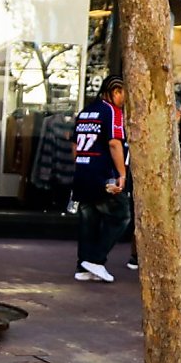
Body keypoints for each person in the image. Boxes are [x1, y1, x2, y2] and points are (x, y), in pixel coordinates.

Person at [71, 74, 129, 284]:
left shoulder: (85, 112)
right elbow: (115, 144)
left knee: (89, 220)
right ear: (116, 92)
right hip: (102, 174)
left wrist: (82, 165)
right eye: (124, 95)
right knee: (121, 215)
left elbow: (75, 148)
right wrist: (121, 174)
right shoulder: (112, 112)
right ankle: (96, 259)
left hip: (82, 173)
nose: (125, 100)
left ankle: (83, 266)